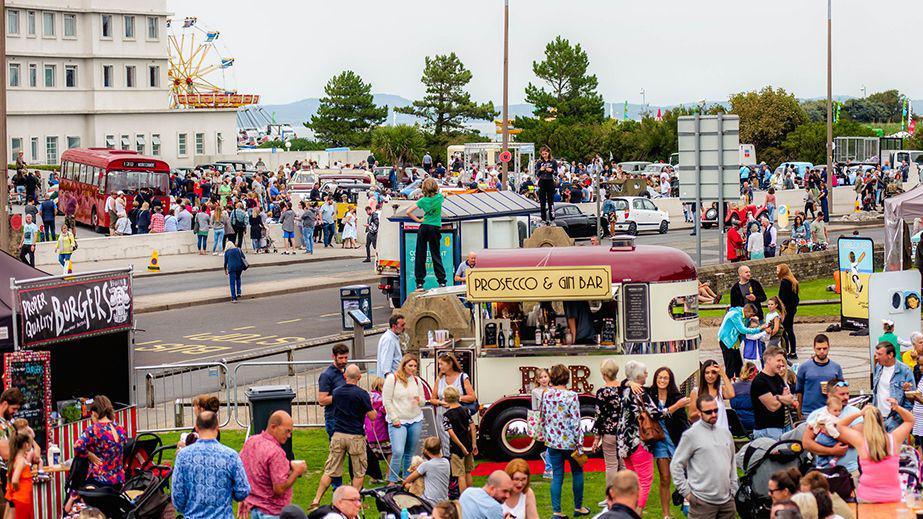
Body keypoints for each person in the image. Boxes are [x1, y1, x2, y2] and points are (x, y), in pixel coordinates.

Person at [311, 365, 376, 507]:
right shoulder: (362, 394)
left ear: (345, 377)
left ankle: (316, 499)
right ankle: (352, 502)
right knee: (359, 472)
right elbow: (372, 416)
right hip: (355, 436)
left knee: (330, 470)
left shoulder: (337, 392)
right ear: (359, 377)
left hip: (338, 434)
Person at [670, 393, 738, 519]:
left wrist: (733, 488)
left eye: (716, 410)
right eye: (708, 412)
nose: (713, 414)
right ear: (699, 413)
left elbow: (732, 462)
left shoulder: (725, 433)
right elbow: (676, 465)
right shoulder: (691, 435)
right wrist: (687, 493)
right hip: (702, 503)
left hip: (727, 502)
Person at [171, 411, 250, 519]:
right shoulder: (230, 455)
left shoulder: (183, 456)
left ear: (196, 428)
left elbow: (177, 494)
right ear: (217, 427)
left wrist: (185, 508)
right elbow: (242, 490)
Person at [835, 402, 913, 503]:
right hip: (892, 497)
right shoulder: (894, 439)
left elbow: (839, 426)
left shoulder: (860, 441)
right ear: (881, 420)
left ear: (865, 422)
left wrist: (859, 413)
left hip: (866, 497)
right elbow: (910, 421)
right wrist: (897, 408)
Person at [542, 364, 589, 518]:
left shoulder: (546, 394)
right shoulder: (571, 396)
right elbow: (576, 422)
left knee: (557, 476)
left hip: (553, 442)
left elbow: (543, 417)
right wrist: (579, 442)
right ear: (567, 378)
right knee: (577, 472)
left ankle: (557, 512)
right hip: (570, 442)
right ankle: (578, 508)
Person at [239, 411, 307, 518]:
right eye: (287, 431)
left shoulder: (251, 441)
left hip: (254, 508)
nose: (289, 435)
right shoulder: (276, 452)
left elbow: (241, 471)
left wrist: (243, 498)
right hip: (272, 511)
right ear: (273, 427)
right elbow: (279, 489)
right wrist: (296, 472)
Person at [617, 361, 658, 513]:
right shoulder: (640, 392)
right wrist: (676, 407)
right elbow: (655, 413)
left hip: (624, 442)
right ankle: (637, 511)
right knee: (645, 479)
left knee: (633, 479)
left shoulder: (625, 391)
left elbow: (621, 383)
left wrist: (628, 382)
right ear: (639, 375)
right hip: (639, 441)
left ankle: (629, 508)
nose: (647, 374)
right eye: (645, 372)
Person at [648, 367, 689, 519]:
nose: (662, 380)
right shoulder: (650, 394)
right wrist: (630, 383)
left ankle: (687, 504)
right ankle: (666, 514)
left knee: (684, 475)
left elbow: (683, 421)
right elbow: (626, 383)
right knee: (665, 478)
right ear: (655, 378)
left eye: (665, 378)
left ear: (670, 380)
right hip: (659, 441)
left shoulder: (676, 396)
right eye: (660, 377)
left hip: (675, 439)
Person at [382, 354, 425, 482]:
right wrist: (394, 418)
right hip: (398, 421)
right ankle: (393, 480)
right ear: (404, 365)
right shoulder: (392, 379)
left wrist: (419, 400)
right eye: (410, 365)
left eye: (415, 366)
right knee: (398, 451)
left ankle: (407, 480)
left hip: (415, 418)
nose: (413, 368)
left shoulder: (417, 380)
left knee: (410, 452)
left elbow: (423, 401)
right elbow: (386, 400)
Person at [73, 396, 128, 488]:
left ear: (95, 413)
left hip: (99, 480)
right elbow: (124, 444)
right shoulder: (120, 429)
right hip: (118, 480)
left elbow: (77, 446)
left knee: (76, 493)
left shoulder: (93, 430)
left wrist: (89, 455)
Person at [429, 352, 477, 457]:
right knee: (445, 442)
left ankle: (461, 464)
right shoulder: (439, 379)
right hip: (442, 415)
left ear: (450, 364)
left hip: (458, 415)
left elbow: (472, 397)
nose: (439, 366)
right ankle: (448, 466)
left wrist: (455, 399)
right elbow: (432, 399)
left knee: (459, 441)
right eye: (439, 364)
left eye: (441, 364)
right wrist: (441, 402)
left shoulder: (462, 377)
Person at [405, 178, 446, 290]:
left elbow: (408, 212)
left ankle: (419, 282)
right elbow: (444, 195)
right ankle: (441, 281)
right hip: (435, 227)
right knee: (435, 254)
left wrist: (418, 220)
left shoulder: (422, 201)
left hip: (424, 227)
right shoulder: (440, 198)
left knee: (420, 254)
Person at [751, 346, 798, 439]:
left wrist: (779, 398)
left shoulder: (777, 378)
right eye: (778, 360)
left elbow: (789, 399)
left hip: (785, 426)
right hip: (768, 429)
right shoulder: (760, 381)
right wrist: (781, 397)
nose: (781, 364)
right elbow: (773, 406)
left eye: (782, 361)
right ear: (768, 360)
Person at [796, 335, 844, 415]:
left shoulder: (836, 367)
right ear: (814, 348)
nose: (822, 351)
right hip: (809, 412)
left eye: (824, 348)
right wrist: (799, 411)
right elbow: (799, 392)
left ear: (829, 347)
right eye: (819, 349)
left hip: (830, 411)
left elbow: (842, 390)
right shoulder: (804, 367)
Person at [872, 342, 915, 431]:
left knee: (897, 445)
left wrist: (899, 418)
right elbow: (876, 392)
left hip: (895, 420)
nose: (876, 357)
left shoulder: (905, 371)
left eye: (880, 354)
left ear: (890, 355)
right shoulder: (878, 367)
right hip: (878, 417)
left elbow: (911, 398)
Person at [593, 359, 623, 487]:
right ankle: (624, 493)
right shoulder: (625, 389)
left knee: (611, 465)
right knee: (623, 464)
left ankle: (610, 495)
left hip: (609, 433)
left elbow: (599, 416)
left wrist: (596, 438)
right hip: (623, 432)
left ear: (604, 373)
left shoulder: (602, 392)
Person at [441, 386, 476, 492]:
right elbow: (473, 427)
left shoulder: (447, 415)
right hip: (468, 443)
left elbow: (451, 434)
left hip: (457, 447)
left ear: (445, 399)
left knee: (460, 475)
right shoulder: (466, 410)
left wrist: (461, 447)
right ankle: (471, 495)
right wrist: (474, 443)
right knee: (468, 472)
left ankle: (463, 499)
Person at [717, 303, 764, 378]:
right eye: (751, 315)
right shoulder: (735, 314)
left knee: (738, 363)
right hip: (725, 340)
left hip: (734, 341)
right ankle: (728, 384)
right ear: (746, 311)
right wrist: (759, 329)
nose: (751, 317)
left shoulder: (743, 315)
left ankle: (740, 382)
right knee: (730, 364)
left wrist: (753, 320)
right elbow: (742, 330)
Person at [402, 436, 450, 505]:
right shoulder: (446, 462)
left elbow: (407, 480)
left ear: (426, 451)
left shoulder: (426, 465)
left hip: (429, 502)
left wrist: (404, 485)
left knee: (408, 485)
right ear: (440, 448)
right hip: (444, 500)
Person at [688, 359, 734, 429]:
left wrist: (723, 374)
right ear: (703, 374)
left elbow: (731, 394)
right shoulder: (696, 392)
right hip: (703, 434)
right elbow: (691, 417)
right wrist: (703, 412)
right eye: (707, 372)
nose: (710, 375)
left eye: (714, 372)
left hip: (721, 433)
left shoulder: (721, 390)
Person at [5, 431, 33, 519]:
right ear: (25, 444)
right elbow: (14, 479)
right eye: (28, 443)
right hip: (22, 498)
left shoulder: (15, 458)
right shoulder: (21, 461)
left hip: (18, 497)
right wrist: (17, 489)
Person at [777, 264, 801, 359]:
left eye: (778, 270)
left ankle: (786, 350)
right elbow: (796, 298)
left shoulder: (784, 282)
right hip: (792, 309)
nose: (777, 272)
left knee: (784, 330)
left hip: (786, 310)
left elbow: (782, 298)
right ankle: (793, 351)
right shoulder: (793, 281)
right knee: (790, 330)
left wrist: (781, 310)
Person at [729, 362, 757, 431]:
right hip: (753, 421)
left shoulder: (733, 386)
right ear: (751, 373)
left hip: (737, 422)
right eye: (757, 372)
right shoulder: (756, 386)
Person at [375, 314, 404, 378]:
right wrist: (389, 379)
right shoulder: (389, 339)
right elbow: (386, 361)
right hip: (391, 378)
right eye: (402, 325)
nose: (403, 327)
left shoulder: (392, 337)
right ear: (394, 326)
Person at [534, 146, 558, 223]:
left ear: (548, 153)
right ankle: (543, 218)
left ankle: (552, 218)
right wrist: (541, 170)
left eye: (546, 153)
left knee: (551, 201)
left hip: (550, 181)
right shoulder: (539, 162)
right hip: (542, 181)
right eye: (543, 154)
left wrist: (551, 170)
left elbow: (556, 173)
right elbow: (537, 174)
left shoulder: (553, 162)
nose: (544, 155)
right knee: (542, 202)